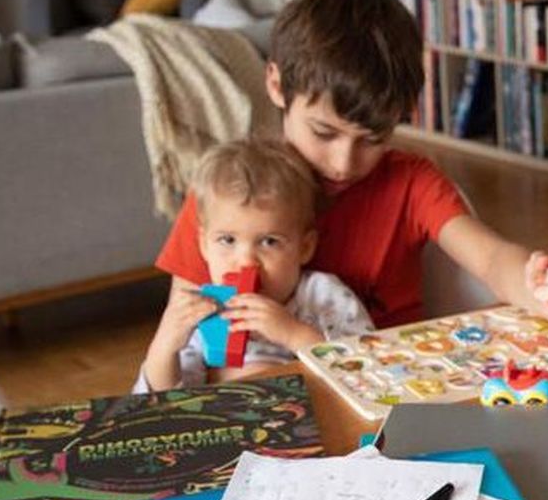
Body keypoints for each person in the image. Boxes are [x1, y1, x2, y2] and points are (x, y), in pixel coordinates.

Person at [153, 0, 548, 330]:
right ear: (276, 84)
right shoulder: (230, 191)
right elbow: (187, 326)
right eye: (323, 132)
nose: (343, 162)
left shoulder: (411, 183)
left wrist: (538, 287)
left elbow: (491, 257)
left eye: (372, 139)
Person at [138, 138, 374, 392]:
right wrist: (164, 346)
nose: (246, 261)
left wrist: (294, 335)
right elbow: (163, 399)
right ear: (204, 245)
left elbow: (369, 374)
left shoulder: (324, 295)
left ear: (305, 247)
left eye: (269, 241)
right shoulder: (204, 310)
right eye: (227, 240)